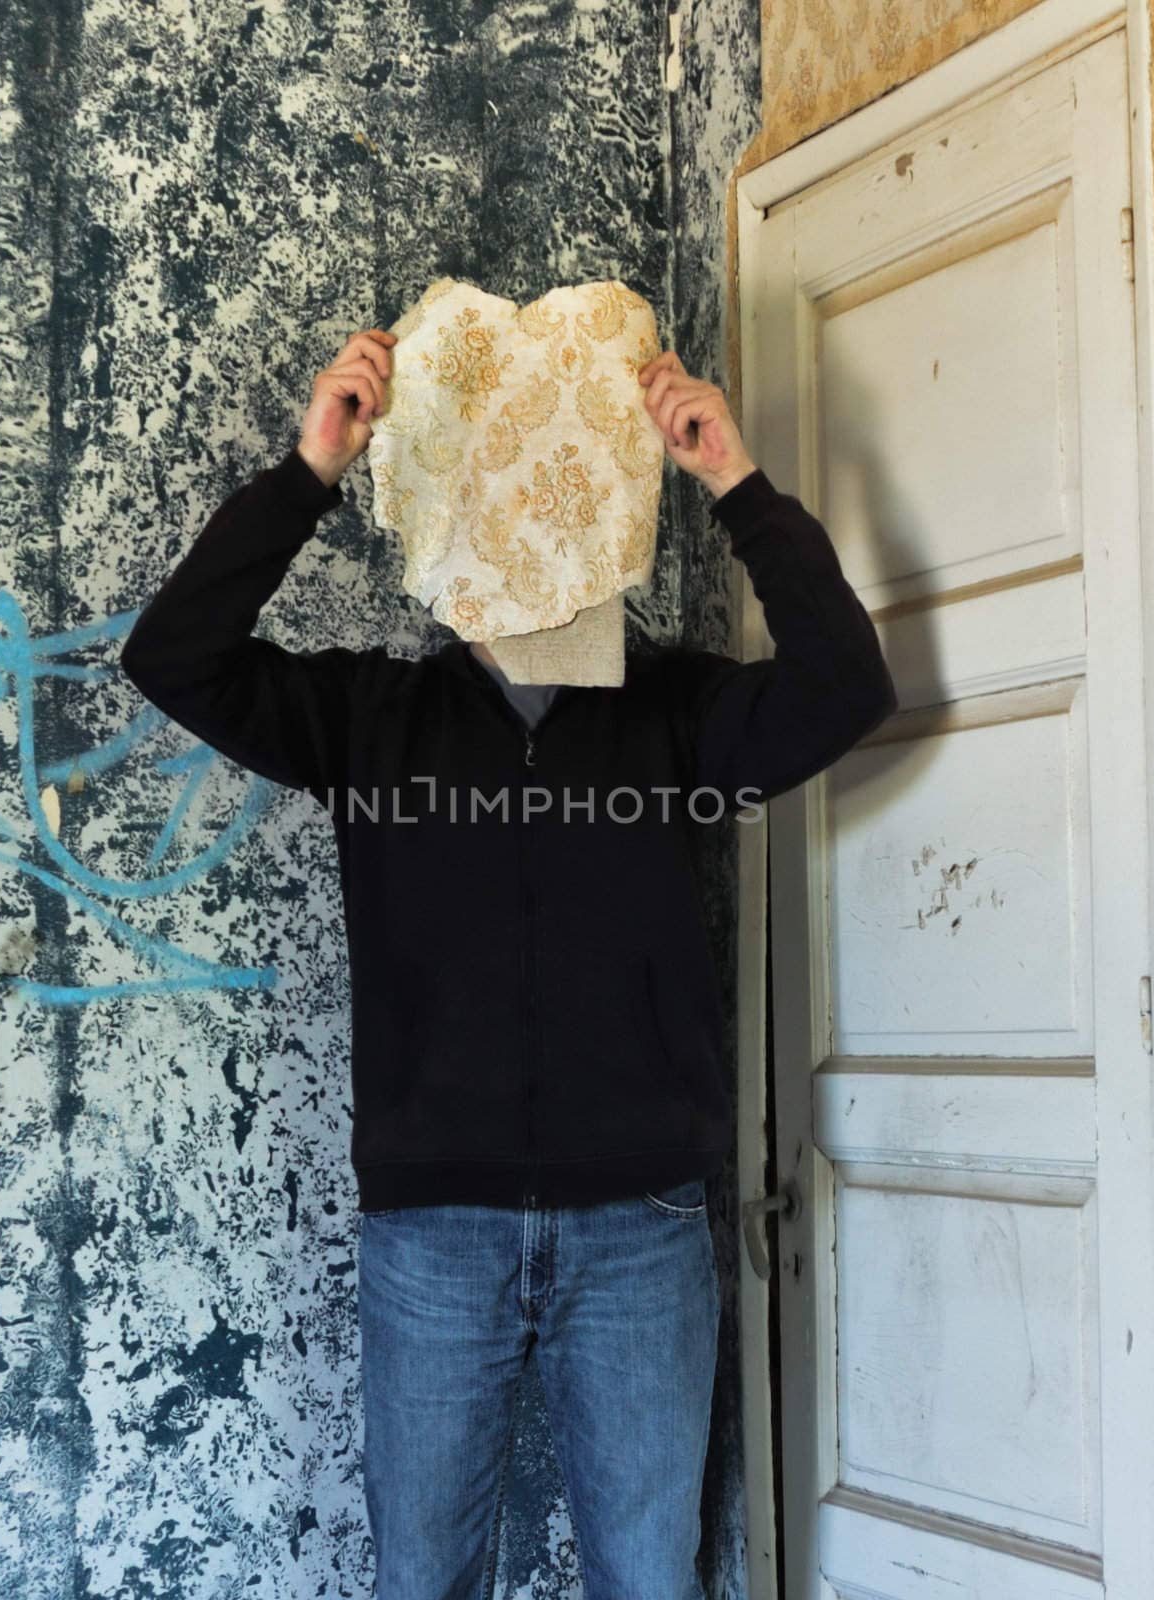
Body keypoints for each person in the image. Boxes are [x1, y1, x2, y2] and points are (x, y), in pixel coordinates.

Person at [119, 322, 896, 1600]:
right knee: (423, 1580)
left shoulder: (674, 712)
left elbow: (843, 688)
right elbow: (176, 655)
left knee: (651, 1580)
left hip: (640, 1227)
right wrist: (312, 469)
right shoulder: (372, 718)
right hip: (433, 1232)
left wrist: (734, 483)